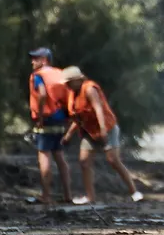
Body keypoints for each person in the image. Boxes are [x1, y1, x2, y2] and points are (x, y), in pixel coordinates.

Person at [59, 67, 143, 205]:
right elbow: (78, 118)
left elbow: (98, 108)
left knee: (113, 160)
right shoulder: (72, 94)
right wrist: (68, 135)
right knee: (84, 161)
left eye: (69, 82)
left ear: (77, 80)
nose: (67, 85)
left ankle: (134, 192)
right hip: (89, 131)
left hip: (107, 128)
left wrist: (103, 129)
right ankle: (90, 196)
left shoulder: (89, 88)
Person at [28, 47, 72, 205]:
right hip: (61, 120)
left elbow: (42, 94)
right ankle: (67, 195)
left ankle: (46, 196)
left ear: (44, 59)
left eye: (36, 58)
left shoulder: (38, 76)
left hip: (45, 120)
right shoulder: (60, 74)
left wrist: (40, 117)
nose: (32, 61)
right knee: (59, 156)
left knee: (44, 156)